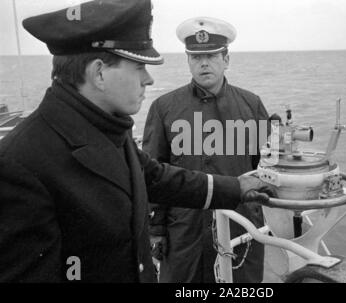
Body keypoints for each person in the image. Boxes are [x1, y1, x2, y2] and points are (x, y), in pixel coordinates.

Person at [0, 0, 272, 283]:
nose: (149, 79)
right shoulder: (18, 164)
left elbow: (154, 176)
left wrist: (238, 187)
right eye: (138, 67)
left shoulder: (103, 129)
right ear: (99, 73)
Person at [143, 17, 270, 283]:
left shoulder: (252, 106)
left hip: (241, 226)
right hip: (184, 232)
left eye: (211, 55)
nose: (204, 63)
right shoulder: (164, 108)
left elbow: (265, 168)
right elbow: (152, 175)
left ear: (226, 59)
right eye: (196, 57)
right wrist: (155, 230)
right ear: (188, 60)